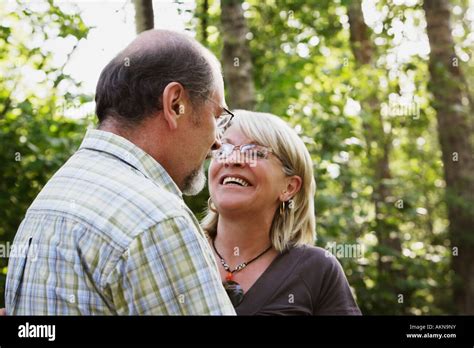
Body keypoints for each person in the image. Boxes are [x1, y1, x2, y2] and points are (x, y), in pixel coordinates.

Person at [4, 30, 236, 315]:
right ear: (176, 104)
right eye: (217, 116)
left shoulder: (49, 201)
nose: (217, 142)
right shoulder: (157, 221)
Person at [202, 110, 362, 315]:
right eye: (224, 148)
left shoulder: (317, 269)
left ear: (289, 187)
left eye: (256, 153)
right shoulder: (176, 248)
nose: (233, 159)